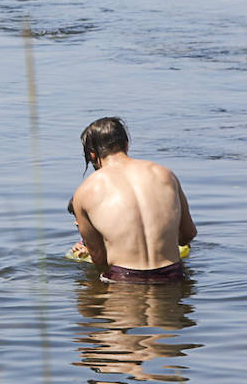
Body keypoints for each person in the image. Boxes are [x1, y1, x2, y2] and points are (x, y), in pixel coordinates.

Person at [68, 117, 196, 283]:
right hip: (172, 276)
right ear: (126, 144)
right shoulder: (164, 174)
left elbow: (99, 259)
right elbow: (188, 234)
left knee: (87, 303)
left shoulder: (85, 191)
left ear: (92, 154)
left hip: (123, 281)